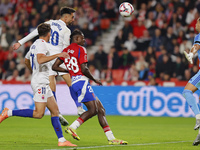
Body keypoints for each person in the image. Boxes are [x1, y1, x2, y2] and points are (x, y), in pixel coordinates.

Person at [0, 23, 76, 147]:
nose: (51, 34)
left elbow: (26, 60)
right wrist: (57, 55)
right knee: (38, 114)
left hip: (42, 81)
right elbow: (40, 59)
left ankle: (61, 140)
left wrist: (34, 72)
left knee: (55, 111)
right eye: (50, 32)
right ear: (48, 33)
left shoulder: (34, 45)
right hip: (40, 83)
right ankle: (8, 112)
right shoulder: (42, 44)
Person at [52, 30, 128, 145]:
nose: (84, 40)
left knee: (101, 110)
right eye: (82, 38)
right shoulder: (81, 49)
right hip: (82, 82)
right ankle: (72, 127)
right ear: (76, 39)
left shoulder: (65, 51)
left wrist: (68, 71)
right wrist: (94, 79)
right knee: (93, 110)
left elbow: (54, 66)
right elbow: (84, 69)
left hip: (75, 83)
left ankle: (111, 138)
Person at [12, 7, 85, 126]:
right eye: (72, 17)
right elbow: (65, 49)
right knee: (71, 81)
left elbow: (35, 32)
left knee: (51, 83)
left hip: (46, 54)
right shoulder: (66, 31)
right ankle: (79, 107)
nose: (73, 19)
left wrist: (20, 42)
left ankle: (57, 112)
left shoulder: (48, 23)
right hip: (57, 56)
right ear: (65, 17)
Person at [183, 17, 200, 146]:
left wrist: (191, 54)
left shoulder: (199, 36)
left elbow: (196, 45)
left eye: (198, 22)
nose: (195, 25)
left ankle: (198, 117)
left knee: (187, 91)